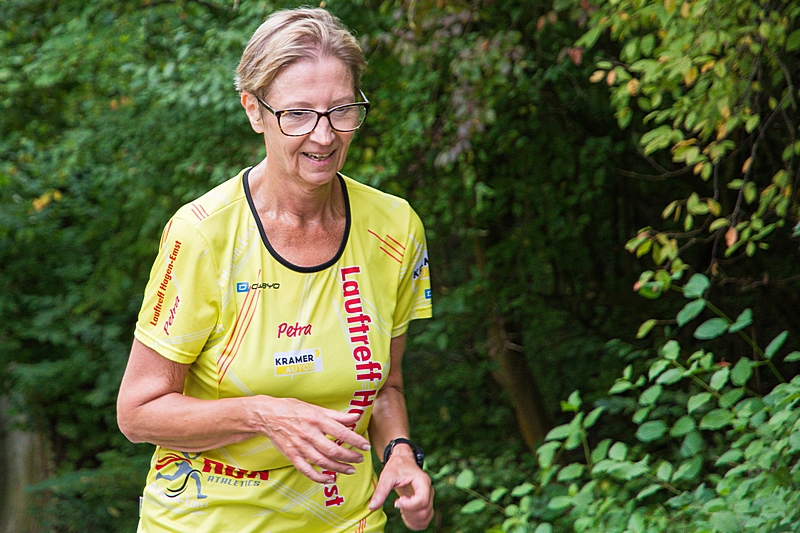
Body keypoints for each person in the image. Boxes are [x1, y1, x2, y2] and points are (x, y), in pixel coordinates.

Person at [116, 7, 434, 533]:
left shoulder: (395, 228)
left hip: (345, 519)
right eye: (298, 114)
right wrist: (261, 414)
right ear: (254, 110)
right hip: (208, 519)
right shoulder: (203, 235)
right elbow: (137, 412)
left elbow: (385, 385)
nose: (324, 136)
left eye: (341, 110)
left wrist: (399, 453)